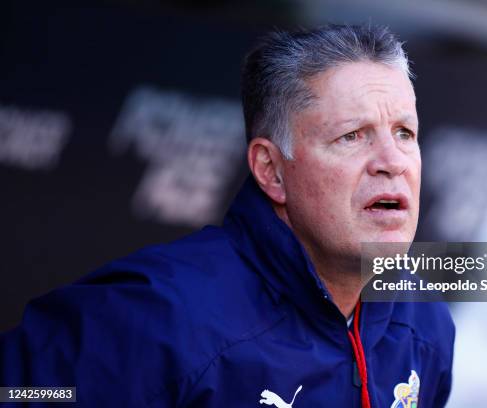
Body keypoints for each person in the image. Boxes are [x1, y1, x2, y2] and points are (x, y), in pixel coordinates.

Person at [0, 24, 454, 407]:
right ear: (270, 170)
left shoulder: (423, 322)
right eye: (353, 136)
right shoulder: (158, 319)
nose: (391, 161)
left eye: (404, 133)